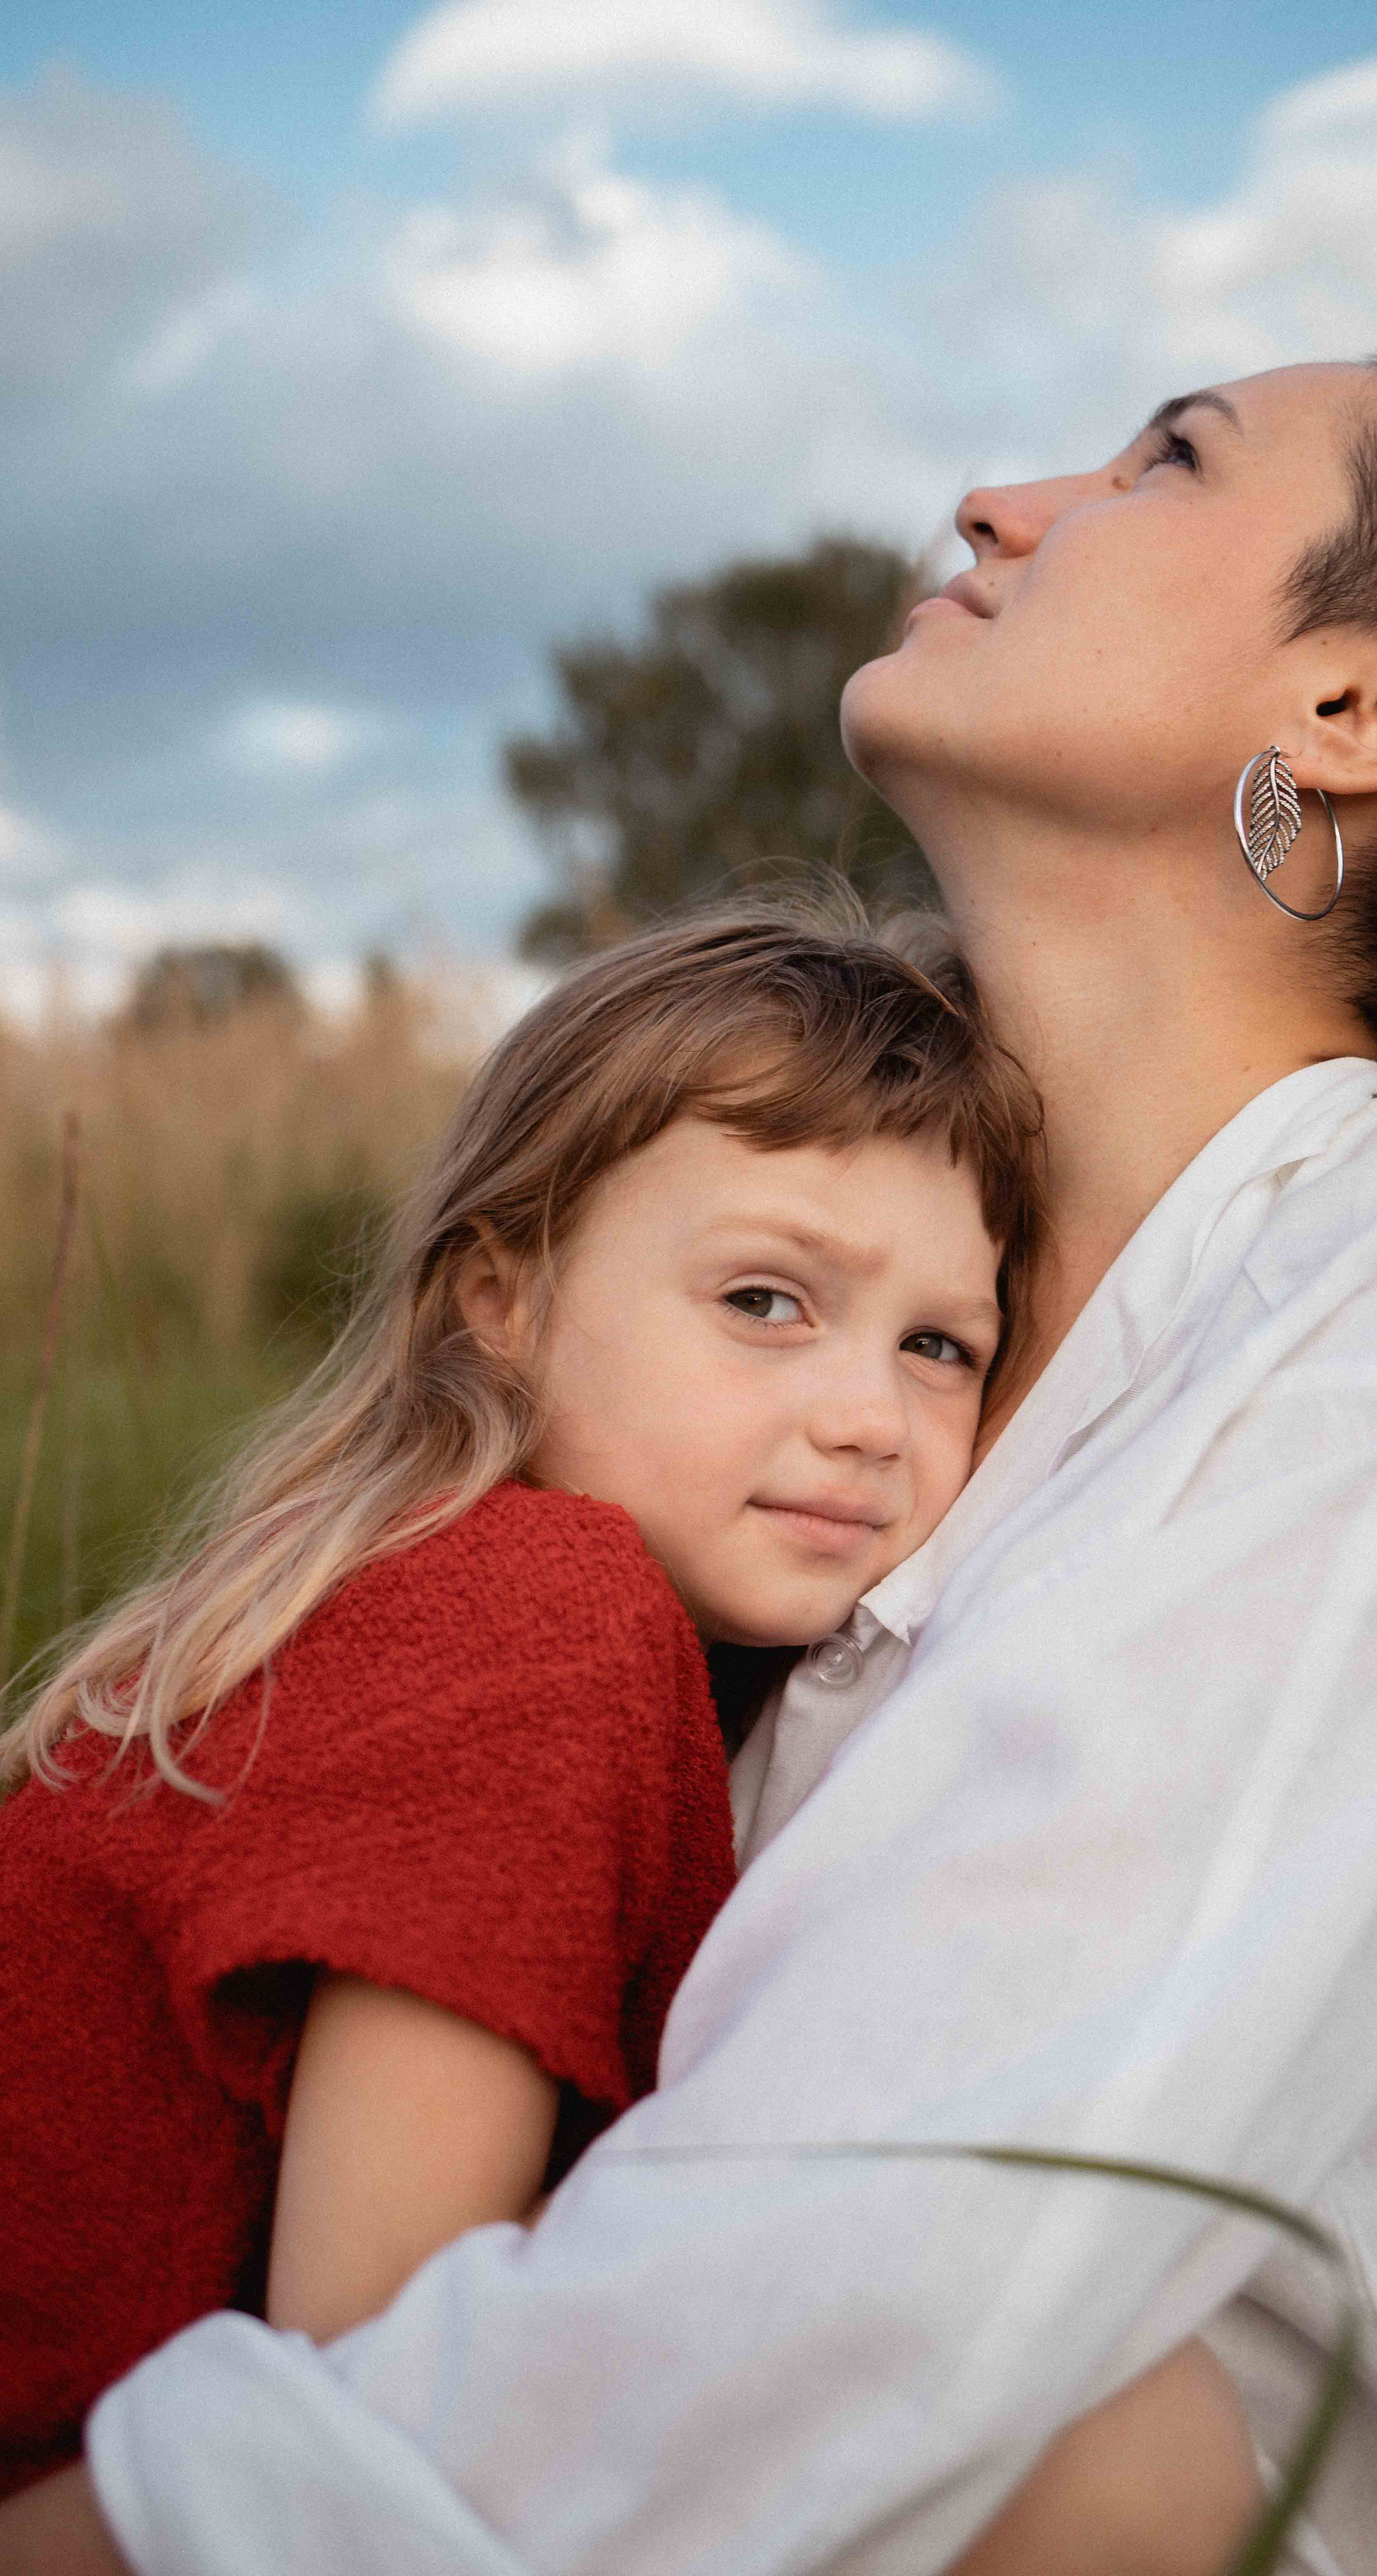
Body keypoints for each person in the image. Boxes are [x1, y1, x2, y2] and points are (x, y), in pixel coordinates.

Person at [7, 277, 1377, 2572]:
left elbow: (874, 2274)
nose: (998, 504)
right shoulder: (815, 1390)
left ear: (1361, 710)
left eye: (1166, 463)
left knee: (1101, 2456)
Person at [0, 908, 1264, 2575]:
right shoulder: (536, 1610)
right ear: (500, 1302)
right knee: (1114, 2444)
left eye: (937, 1347)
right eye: (764, 1300)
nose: (866, 1419)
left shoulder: (545, 1619)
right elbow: (375, 2353)